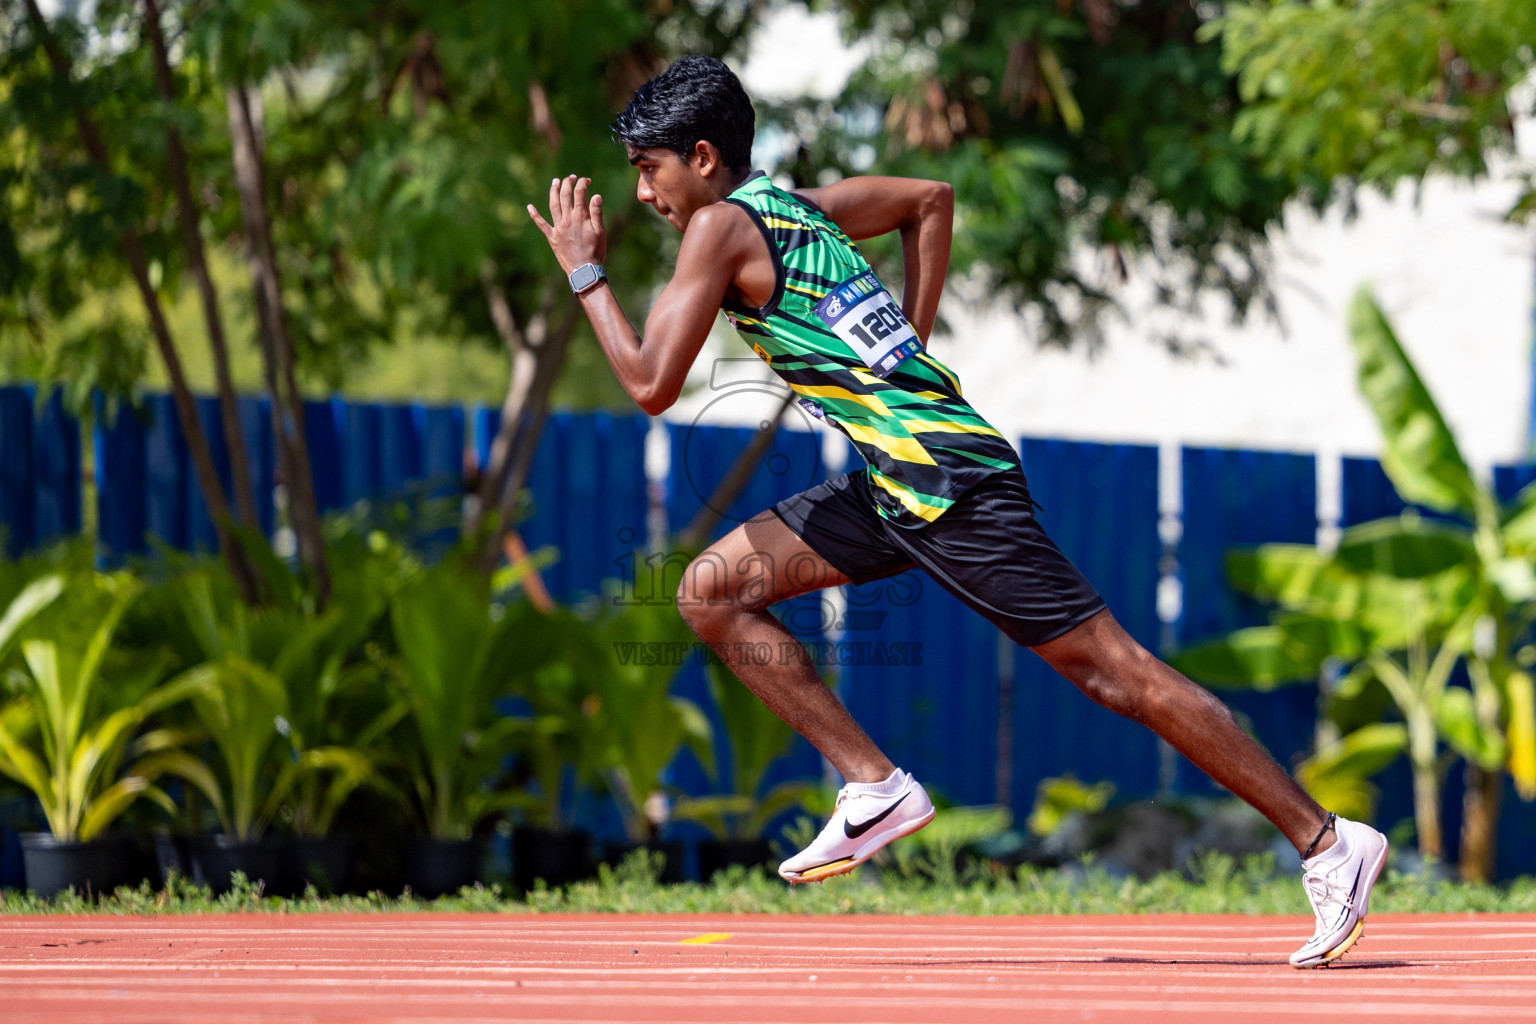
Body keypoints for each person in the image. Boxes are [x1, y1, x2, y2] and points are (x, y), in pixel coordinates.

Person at [527, 54, 1388, 968]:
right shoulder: (794, 206)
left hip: (944, 481)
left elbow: (654, 383)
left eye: (649, 170)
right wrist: (912, 350)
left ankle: (1329, 843)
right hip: (896, 476)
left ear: (702, 158)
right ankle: (873, 788)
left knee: (1113, 673)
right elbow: (928, 199)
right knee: (710, 591)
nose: (645, 194)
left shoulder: (718, 231)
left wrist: (587, 276)